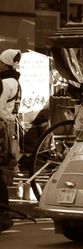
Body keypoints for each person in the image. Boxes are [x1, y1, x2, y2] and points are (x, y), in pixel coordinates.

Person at [0, 48, 22, 233]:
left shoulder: (6, 82)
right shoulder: (15, 80)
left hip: (2, 125)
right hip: (8, 124)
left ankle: (3, 212)